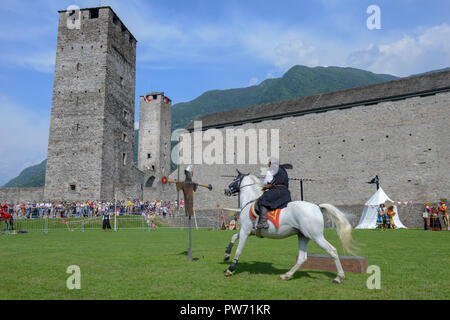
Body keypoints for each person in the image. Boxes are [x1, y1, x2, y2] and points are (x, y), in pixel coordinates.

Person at [255, 157, 291, 231]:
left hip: (277, 191)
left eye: (269, 163)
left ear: (271, 163)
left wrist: (264, 187)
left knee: (262, 200)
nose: (268, 165)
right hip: (286, 193)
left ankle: (263, 222)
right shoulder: (283, 170)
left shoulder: (272, 169)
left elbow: (269, 182)